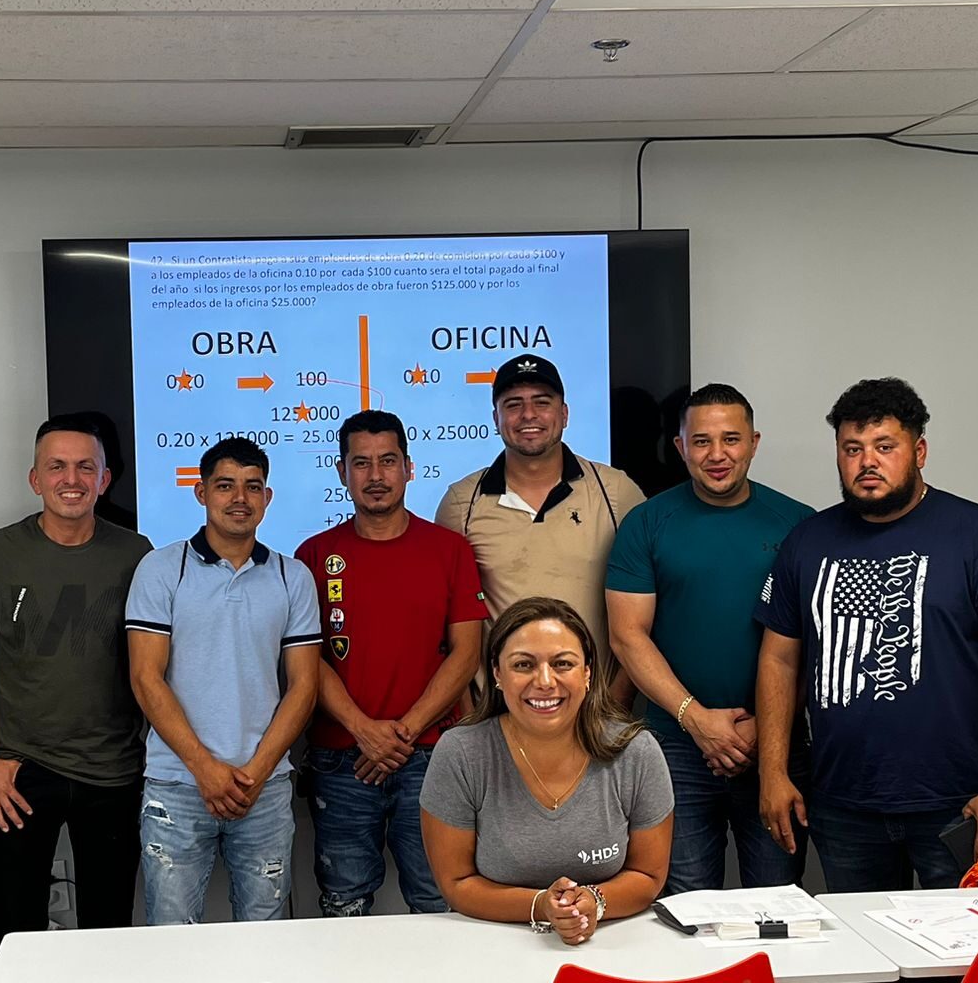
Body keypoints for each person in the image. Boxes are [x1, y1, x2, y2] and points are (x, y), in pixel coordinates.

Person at [755, 378, 978, 892]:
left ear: (919, 451)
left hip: (956, 802)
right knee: (865, 963)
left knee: (961, 961)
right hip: (843, 802)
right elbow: (779, 661)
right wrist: (773, 772)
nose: (868, 461)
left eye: (885, 447)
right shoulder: (807, 541)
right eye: (852, 449)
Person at [0, 416, 154, 963]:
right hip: (19, 774)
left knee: (109, 934)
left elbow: (153, 668)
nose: (72, 478)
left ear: (105, 480)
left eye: (85, 467)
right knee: (15, 937)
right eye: (57, 466)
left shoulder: (136, 554)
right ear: (35, 479)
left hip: (112, 771)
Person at [607, 383, 815, 892]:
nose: (717, 455)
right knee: (684, 904)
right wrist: (697, 721)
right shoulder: (646, 524)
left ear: (754, 443)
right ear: (679, 447)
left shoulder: (801, 526)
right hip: (674, 745)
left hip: (775, 745)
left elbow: (822, 645)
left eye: (731, 439)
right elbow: (627, 636)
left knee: (777, 903)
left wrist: (764, 726)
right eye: (701, 441)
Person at [294, 409, 487, 916]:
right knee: (343, 902)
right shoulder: (313, 555)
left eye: (387, 461)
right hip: (340, 760)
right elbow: (307, 658)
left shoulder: (449, 550)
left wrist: (401, 733)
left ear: (409, 468)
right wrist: (364, 731)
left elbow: (466, 652)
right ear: (341, 473)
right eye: (361, 463)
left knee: (438, 901)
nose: (375, 476)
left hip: (431, 756)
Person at [124, 436, 322, 923]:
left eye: (253, 487)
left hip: (265, 787)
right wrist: (205, 769)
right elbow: (146, 678)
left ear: (268, 498)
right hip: (176, 783)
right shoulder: (161, 569)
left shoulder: (292, 577)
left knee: (266, 936)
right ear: (201, 492)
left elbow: (303, 686)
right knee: (171, 936)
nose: (240, 499)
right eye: (226, 486)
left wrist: (254, 773)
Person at [419, 596, 673, 945]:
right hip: (488, 944)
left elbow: (648, 874)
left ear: (587, 673)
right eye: (523, 665)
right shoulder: (461, 753)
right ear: (496, 673)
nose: (545, 681)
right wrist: (541, 906)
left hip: (612, 943)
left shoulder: (637, 752)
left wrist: (593, 902)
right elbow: (456, 883)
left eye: (563, 664)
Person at [435, 353, 645, 697]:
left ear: (564, 414)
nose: (528, 415)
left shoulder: (617, 493)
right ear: (495, 418)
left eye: (542, 402)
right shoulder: (461, 504)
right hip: (502, 713)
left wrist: (615, 705)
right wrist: (472, 719)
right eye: (513, 404)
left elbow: (646, 615)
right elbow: (450, 627)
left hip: (595, 710)